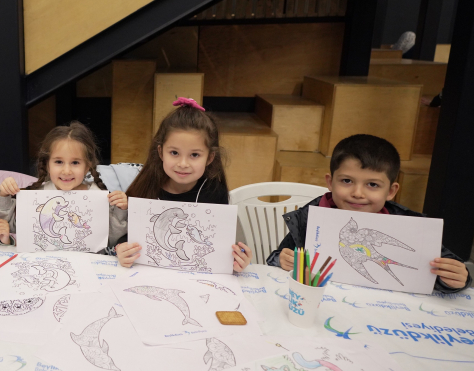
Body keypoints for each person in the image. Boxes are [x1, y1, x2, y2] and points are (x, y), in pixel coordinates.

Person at [267, 134, 472, 293]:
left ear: (390, 191)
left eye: (372, 184)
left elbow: (445, 269)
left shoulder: (410, 226)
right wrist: (282, 261)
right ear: (330, 182)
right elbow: (277, 257)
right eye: (347, 181)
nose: (358, 193)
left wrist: (456, 279)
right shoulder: (310, 217)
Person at [114, 98, 253, 271]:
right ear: (161, 152)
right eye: (174, 153)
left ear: (210, 157)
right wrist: (121, 249)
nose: (183, 164)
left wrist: (238, 260)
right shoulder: (145, 186)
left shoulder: (215, 192)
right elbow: (128, 237)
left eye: (194, 155)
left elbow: (224, 246)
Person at [0, 121, 128, 251]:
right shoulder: (36, 195)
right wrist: (4, 195)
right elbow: (10, 228)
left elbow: (111, 239)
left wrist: (120, 210)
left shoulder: (99, 196)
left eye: (75, 162)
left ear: (87, 166)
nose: (66, 171)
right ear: (47, 165)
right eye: (59, 162)